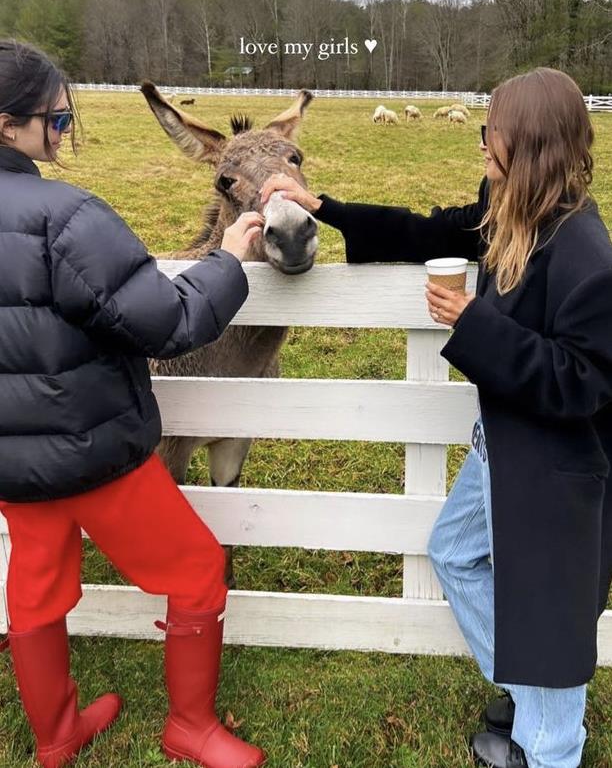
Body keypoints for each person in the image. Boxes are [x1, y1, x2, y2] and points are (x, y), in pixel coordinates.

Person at [261, 67, 612, 768]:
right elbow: (429, 231)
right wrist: (323, 207)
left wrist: (473, 323)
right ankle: (527, 691)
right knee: (454, 554)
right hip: (502, 446)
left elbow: (581, 383)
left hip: (555, 474)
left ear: (530, 146)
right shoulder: (511, 209)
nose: (482, 145)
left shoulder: (585, 253)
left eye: (492, 135)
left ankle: (547, 744)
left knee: (551, 620)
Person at [0, 39, 266, 768]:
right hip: (91, 449)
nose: (64, 134)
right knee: (198, 568)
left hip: (11, 467)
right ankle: (190, 725)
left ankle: (57, 735)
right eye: (56, 121)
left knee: (35, 592)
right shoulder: (66, 216)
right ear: (8, 127)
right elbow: (167, 322)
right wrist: (227, 261)